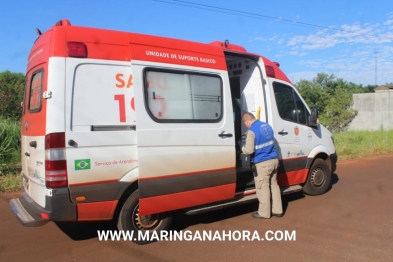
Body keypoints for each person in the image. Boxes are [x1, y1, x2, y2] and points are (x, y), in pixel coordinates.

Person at [241, 112, 283, 219]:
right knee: (274, 185)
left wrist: (242, 150)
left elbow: (249, 150)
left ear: (247, 121)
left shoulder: (251, 131)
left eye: (244, 123)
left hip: (262, 163)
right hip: (274, 160)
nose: (245, 126)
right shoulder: (267, 126)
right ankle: (278, 210)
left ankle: (264, 213)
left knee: (262, 188)